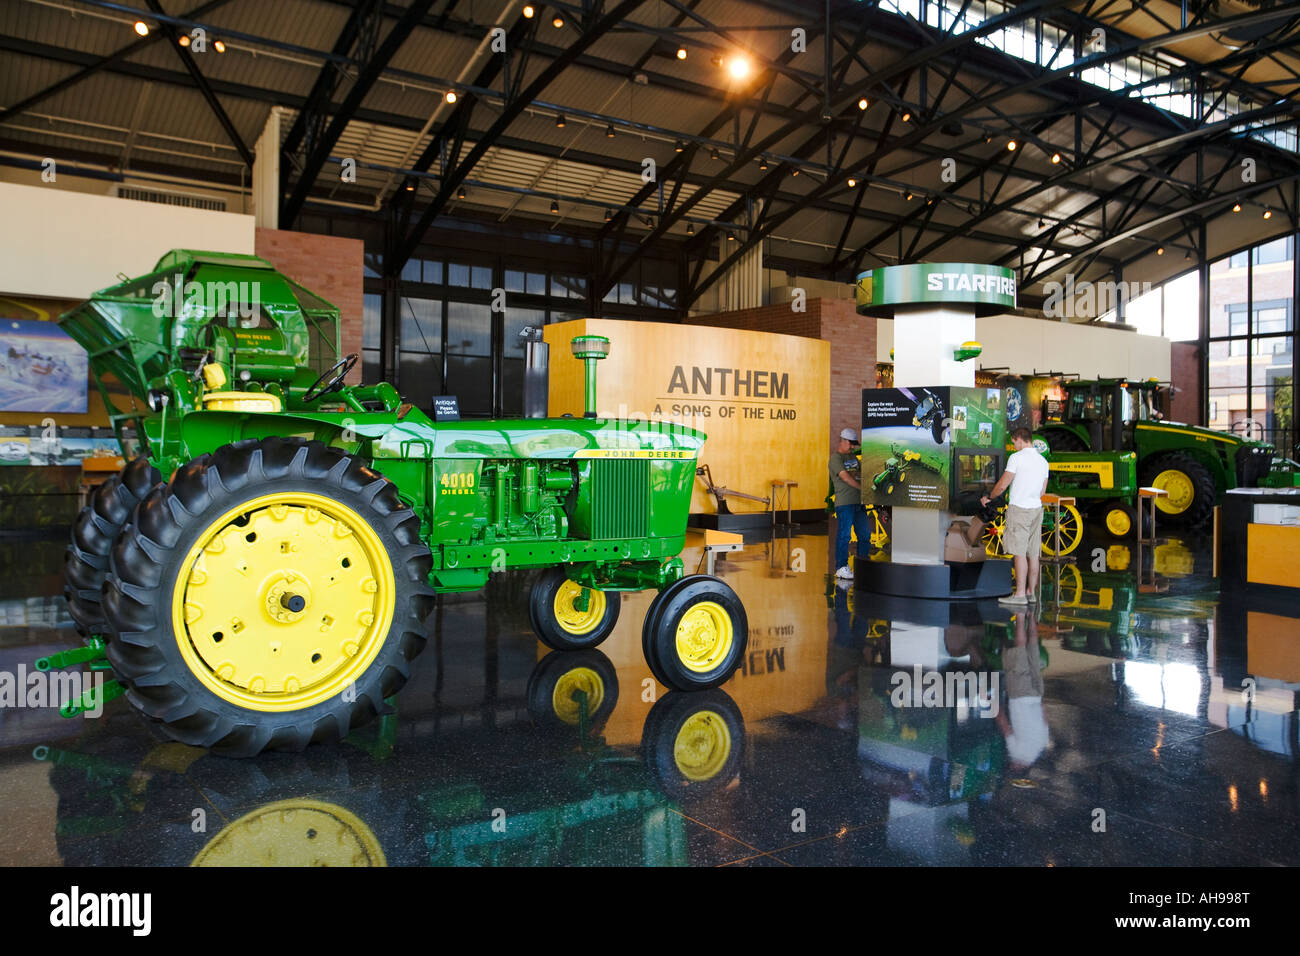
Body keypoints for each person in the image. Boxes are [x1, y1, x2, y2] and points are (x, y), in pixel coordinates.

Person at [981, 427, 1048, 605]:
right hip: (1036, 509)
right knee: (1033, 554)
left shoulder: (1016, 458)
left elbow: (1003, 484)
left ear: (1019, 439)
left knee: (1019, 554)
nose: (1013, 445)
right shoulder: (1043, 461)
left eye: (1014, 442)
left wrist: (989, 497)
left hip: (1020, 510)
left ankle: (1019, 595)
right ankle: (1030, 593)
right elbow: (1042, 491)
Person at [830, 428, 870, 579]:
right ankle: (841, 567)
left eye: (854, 444)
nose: (853, 447)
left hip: (859, 503)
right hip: (845, 503)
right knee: (844, 535)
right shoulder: (835, 459)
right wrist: (861, 487)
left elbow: (862, 473)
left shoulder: (853, 457)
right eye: (851, 444)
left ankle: (863, 565)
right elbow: (846, 477)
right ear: (844, 441)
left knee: (865, 535)